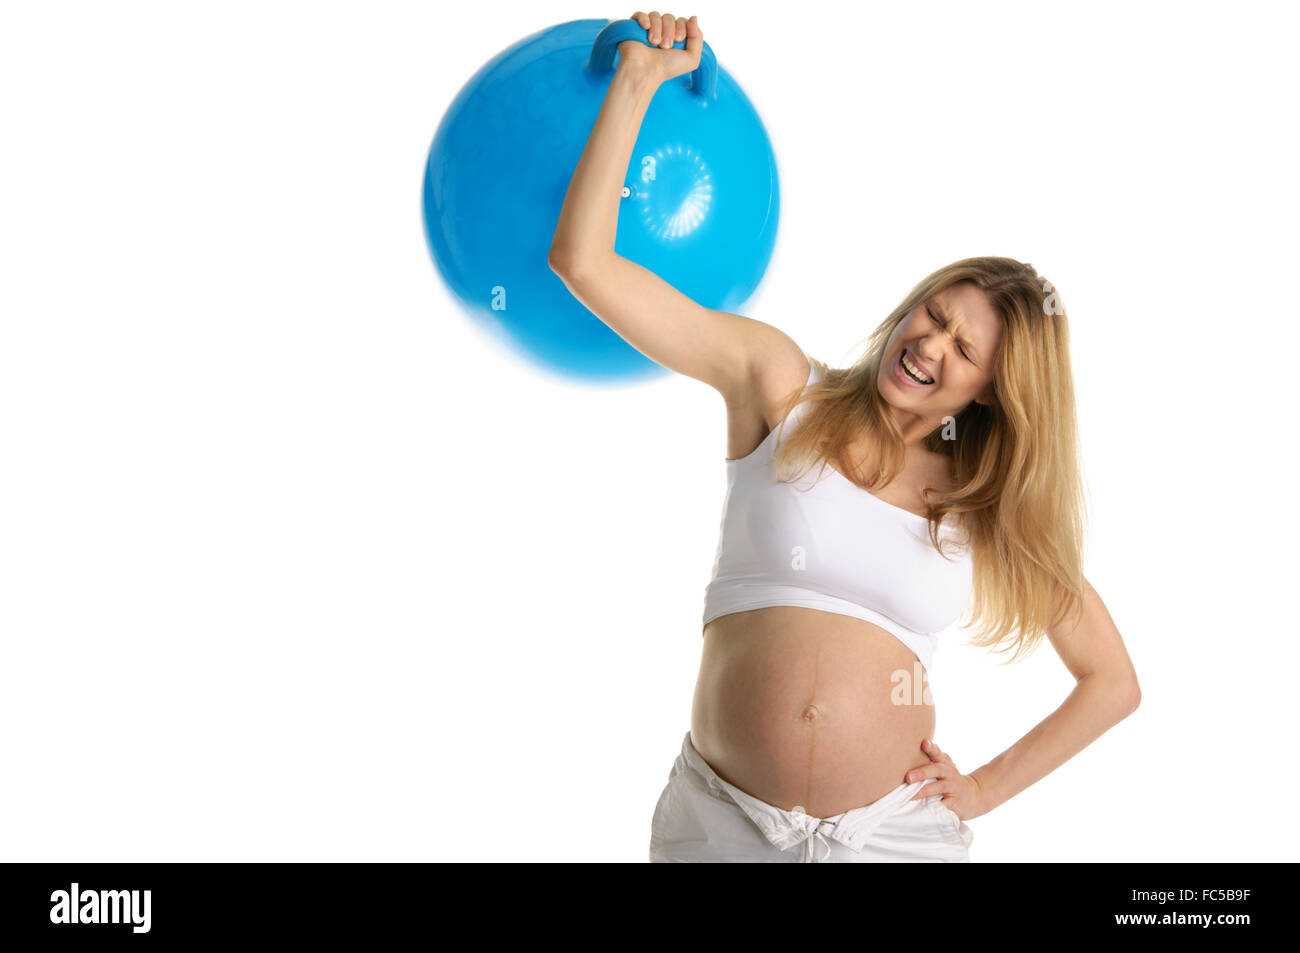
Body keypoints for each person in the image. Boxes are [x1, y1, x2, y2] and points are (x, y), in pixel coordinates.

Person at [549, 11, 1141, 863]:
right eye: (931, 314)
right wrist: (638, 83)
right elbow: (585, 263)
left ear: (990, 392)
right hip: (723, 823)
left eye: (962, 347)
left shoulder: (981, 507)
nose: (928, 344)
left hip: (890, 839)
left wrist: (982, 790)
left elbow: (1111, 683)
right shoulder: (780, 382)